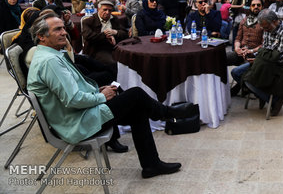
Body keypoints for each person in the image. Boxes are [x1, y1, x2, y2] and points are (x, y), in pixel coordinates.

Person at [27, 14, 195, 178]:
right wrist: (102, 97)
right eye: (57, 29)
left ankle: (151, 165)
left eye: (63, 28)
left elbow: (70, 92)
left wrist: (97, 91)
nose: (64, 32)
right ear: (41, 36)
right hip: (76, 124)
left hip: (74, 117)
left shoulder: (50, 55)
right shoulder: (50, 61)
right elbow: (73, 100)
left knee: (137, 108)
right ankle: (167, 114)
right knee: (135, 95)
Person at [242, 9, 283, 116]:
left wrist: (260, 61)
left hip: (279, 66)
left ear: (275, 21)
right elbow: (265, 47)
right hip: (266, 60)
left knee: (248, 80)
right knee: (236, 73)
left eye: (266, 27)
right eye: (263, 27)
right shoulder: (267, 28)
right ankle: (262, 94)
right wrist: (255, 56)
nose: (264, 30)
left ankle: (275, 100)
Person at [228, 0, 265, 94]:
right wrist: (237, 48)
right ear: (250, 7)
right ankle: (222, 85)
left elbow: (264, 44)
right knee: (221, 58)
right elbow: (238, 38)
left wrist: (251, 51)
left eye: (258, 5)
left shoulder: (265, 23)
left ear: (262, 7)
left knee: (242, 70)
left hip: (254, 54)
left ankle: (242, 87)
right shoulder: (244, 20)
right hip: (240, 51)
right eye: (253, 5)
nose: (256, 7)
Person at [81, 0, 130, 70]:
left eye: (110, 10)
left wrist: (115, 32)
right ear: (98, 9)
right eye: (105, 10)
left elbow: (126, 34)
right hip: (97, 50)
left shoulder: (114, 19)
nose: (107, 12)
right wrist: (105, 35)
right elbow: (88, 36)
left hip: (114, 48)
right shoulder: (89, 21)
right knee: (113, 63)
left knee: (129, 60)